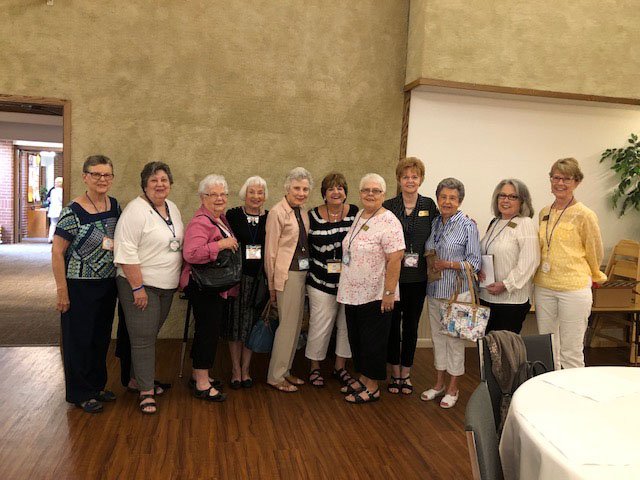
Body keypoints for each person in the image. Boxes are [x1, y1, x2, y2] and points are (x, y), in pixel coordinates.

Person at [114, 161, 184, 414]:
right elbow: (125, 252)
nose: (160, 184)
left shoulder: (172, 208)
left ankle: (137, 379)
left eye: (164, 180)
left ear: (170, 184)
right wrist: (137, 288)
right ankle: (145, 392)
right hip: (141, 286)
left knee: (146, 337)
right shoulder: (135, 211)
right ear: (144, 185)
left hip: (166, 285)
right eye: (154, 180)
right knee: (143, 339)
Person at [52, 156, 119, 413]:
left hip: (107, 283)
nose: (102, 179)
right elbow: (57, 252)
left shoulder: (113, 205)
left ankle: (96, 386)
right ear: (85, 177)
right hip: (79, 286)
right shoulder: (73, 211)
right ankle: (80, 392)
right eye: (97, 174)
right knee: (78, 339)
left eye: (107, 175)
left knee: (100, 338)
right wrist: (62, 291)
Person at [336, 173, 405, 404]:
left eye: (376, 191)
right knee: (358, 339)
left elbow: (395, 259)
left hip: (376, 293)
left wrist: (388, 293)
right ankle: (364, 378)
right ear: (360, 192)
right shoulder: (361, 215)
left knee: (373, 341)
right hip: (353, 291)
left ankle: (373, 386)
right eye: (366, 190)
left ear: (384, 195)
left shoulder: (389, 221)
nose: (370, 194)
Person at [533, 158, 606, 369]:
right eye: (556, 177)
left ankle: (574, 398)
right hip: (544, 286)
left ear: (577, 182)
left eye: (566, 178)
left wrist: (594, 275)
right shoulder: (544, 212)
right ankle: (553, 393)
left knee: (571, 351)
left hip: (573, 289)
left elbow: (595, 251)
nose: (560, 183)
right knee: (549, 346)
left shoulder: (585, 214)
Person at [420, 178, 481, 409]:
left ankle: (454, 387)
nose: (447, 201)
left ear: (460, 201)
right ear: (437, 199)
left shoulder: (468, 225)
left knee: (454, 342)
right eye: (443, 197)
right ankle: (438, 384)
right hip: (434, 290)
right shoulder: (435, 223)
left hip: (458, 293)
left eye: (452, 198)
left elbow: (474, 263)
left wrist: (449, 264)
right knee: (438, 340)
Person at [180, 174, 239, 402]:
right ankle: (202, 384)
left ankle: (198, 375)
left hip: (213, 286)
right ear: (202, 197)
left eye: (223, 194)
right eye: (213, 194)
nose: (219, 198)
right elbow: (191, 253)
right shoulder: (201, 222)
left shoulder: (219, 218)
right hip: (203, 287)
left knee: (206, 330)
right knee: (207, 332)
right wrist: (220, 244)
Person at [383, 157, 437, 395]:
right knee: (393, 327)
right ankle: (394, 373)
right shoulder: (389, 206)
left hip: (418, 278)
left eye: (415, 176)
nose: (410, 180)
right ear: (399, 179)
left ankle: (406, 373)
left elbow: (442, 228)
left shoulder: (429, 205)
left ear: (421, 179)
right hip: (393, 277)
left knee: (412, 327)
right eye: (406, 176)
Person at [305, 172, 358, 388]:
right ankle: (315, 367)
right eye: (331, 189)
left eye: (340, 188)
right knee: (320, 324)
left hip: (348, 282)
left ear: (345, 192)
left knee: (346, 325)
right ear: (324, 194)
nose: (336, 192)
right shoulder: (312, 216)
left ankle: (340, 367)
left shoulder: (355, 213)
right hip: (319, 281)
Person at [265, 167, 313, 392]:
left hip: (302, 274)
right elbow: (271, 252)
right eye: (297, 188)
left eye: (305, 189)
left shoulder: (302, 212)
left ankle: (286, 371)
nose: (301, 192)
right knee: (286, 327)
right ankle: (275, 376)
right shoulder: (277, 212)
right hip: (287, 276)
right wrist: (272, 285)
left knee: (295, 328)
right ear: (287, 188)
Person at [224, 176, 269, 389]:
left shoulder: (270, 217)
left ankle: (246, 369)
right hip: (236, 278)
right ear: (245, 193)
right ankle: (235, 369)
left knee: (251, 325)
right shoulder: (232, 215)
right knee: (235, 325)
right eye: (252, 192)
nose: (256, 197)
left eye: (260, 193)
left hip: (259, 280)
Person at [479, 179, 539, 334]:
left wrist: (506, 284)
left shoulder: (525, 223)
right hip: (487, 297)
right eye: (502, 195)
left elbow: (530, 261)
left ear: (522, 201)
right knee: (489, 347)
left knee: (504, 349)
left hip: (511, 300)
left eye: (512, 197)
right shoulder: (495, 222)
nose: (505, 200)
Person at [47, 177, 63, 243]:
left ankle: (50, 238)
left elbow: (50, 199)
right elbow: (62, 200)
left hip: (53, 209)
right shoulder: (62, 191)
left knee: (53, 224)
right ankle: (58, 239)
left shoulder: (53, 191)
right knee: (60, 225)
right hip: (59, 209)